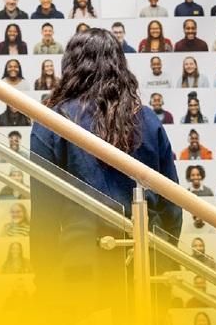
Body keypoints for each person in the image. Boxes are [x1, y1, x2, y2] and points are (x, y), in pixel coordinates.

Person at [31, 28, 180, 320]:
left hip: (77, 268)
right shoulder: (147, 119)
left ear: (71, 67)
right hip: (143, 267)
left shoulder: (53, 122)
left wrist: (44, 277)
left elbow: (44, 214)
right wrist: (162, 261)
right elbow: (172, 204)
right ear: (120, 66)